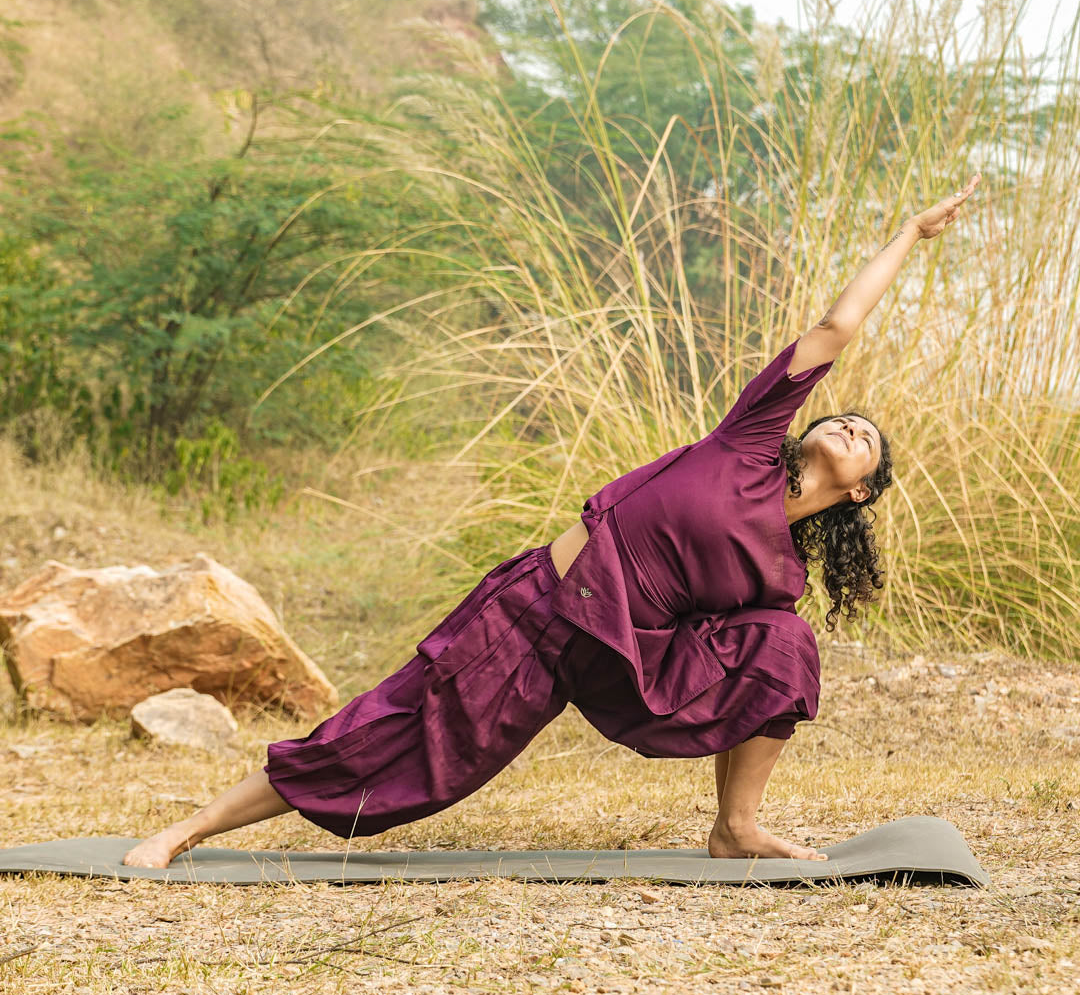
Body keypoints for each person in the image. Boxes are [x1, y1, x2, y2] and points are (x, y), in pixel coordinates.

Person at [122, 173, 981, 869]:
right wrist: (909, 233)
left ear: (865, 491)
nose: (847, 425)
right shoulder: (749, 442)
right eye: (842, 418)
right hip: (537, 612)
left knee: (785, 646)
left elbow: (729, 655)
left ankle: (736, 827)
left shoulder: (780, 575)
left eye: (865, 438)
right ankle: (187, 831)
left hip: (618, 659)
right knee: (401, 744)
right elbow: (837, 326)